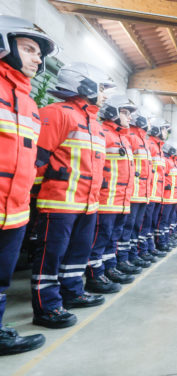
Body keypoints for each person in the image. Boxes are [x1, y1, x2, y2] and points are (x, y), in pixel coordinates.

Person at [30, 62, 114, 328]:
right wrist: (34, 197)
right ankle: (48, 307)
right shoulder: (55, 114)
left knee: (78, 253)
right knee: (51, 255)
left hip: (87, 204)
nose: (105, 95)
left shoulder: (95, 125)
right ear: (84, 85)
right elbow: (37, 161)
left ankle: (73, 292)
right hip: (58, 202)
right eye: (102, 88)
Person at [0, 15, 57, 354]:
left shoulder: (30, 104)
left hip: (15, 211)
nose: (38, 58)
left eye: (39, 52)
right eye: (29, 49)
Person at [85, 95, 138, 295]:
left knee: (112, 238)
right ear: (113, 113)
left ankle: (109, 268)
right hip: (106, 200)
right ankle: (95, 275)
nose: (129, 118)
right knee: (100, 238)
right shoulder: (104, 133)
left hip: (121, 201)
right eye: (125, 113)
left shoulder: (123, 138)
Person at [120, 110, 152, 269]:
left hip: (142, 193)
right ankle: (124, 258)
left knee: (136, 226)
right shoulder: (131, 137)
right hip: (132, 193)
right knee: (128, 227)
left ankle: (133, 255)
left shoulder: (144, 141)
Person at [137, 120, 167, 260]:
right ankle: (142, 250)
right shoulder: (151, 146)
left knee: (150, 223)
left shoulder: (158, 148)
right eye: (164, 129)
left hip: (156, 193)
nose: (166, 132)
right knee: (144, 223)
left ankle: (149, 247)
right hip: (149, 193)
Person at [155, 142, 177, 249]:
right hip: (166, 198)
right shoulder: (167, 161)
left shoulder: (173, 162)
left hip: (173, 198)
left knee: (167, 221)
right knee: (163, 221)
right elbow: (162, 177)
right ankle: (160, 242)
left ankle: (166, 239)